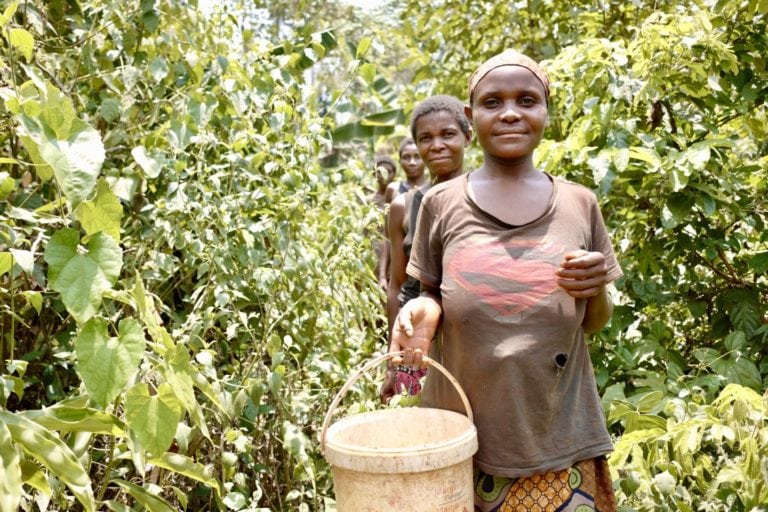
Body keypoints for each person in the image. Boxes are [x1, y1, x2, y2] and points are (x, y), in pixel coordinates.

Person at [389, 49, 622, 511]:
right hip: (461, 432)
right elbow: (431, 293)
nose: (511, 112)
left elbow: (593, 323)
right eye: (493, 102)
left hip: (554, 432)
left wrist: (594, 289)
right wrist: (422, 310)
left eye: (527, 100)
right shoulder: (442, 203)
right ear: (473, 118)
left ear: (545, 112)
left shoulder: (579, 203)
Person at [383, 95, 472, 399]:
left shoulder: (485, 198)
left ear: (467, 137)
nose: (436, 145)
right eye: (426, 138)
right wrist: (392, 363)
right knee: (421, 421)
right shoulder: (403, 206)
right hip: (418, 339)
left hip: (473, 337)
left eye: (448, 134)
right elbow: (398, 287)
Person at [371, 154, 397, 291]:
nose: (383, 175)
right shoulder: (367, 200)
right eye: (379, 172)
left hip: (394, 259)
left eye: (388, 171)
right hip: (372, 258)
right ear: (374, 174)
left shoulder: (399, 197)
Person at [384, 137, 428, 204]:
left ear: (425, 160)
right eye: (406, 157)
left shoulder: (434, 189)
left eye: (417, 157)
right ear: (400, 161)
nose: (412, 162)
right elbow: (386, 213)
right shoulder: (393, 189)